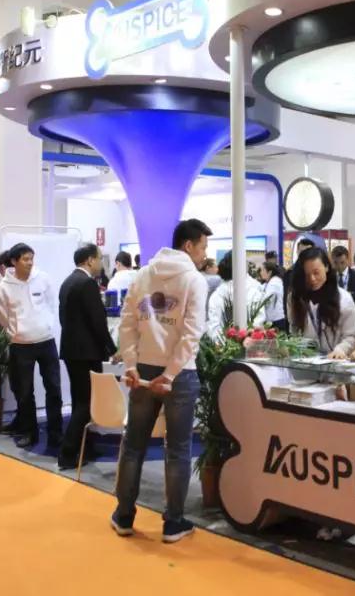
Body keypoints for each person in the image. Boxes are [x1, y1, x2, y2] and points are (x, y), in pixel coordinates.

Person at [111, 218, 212, 543]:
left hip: (143, 370)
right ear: (188, 245)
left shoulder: (143, 275)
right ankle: (173, 523)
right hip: (180, 375)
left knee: (133, 445)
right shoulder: (194, 281)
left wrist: (131, 365)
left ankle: (123, 516)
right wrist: (170, 374)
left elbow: (128, 323)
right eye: (203, 247)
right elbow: (192, 333)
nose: (204, 254)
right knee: (178, 449)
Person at [0, 243, 62, 450]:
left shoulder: (43, 278)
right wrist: (15, 332)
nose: (29, 263)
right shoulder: (4, 287)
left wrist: (47, 325)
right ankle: (29, 432)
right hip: (21, 345)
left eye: (31, 258)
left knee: (54, 388)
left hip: (46, 341)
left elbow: (51, 304)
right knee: (24, 392)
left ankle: (56, 432)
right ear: (14, 261)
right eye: (25, 259)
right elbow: (2, 316)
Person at [57, 243, 116, 471]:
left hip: (72, 351)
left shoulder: (68, 281)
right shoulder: (87, 283)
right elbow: (97, 322)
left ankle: (84, 447)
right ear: (90, 260)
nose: (101, 263)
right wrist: (112, 349)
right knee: (85, 403)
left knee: (80, 401)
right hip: (87, 353)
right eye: (99, 258)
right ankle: (68, 454)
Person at [286, 248, 355, 357]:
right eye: (306, 275)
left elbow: (351, 335)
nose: (312, 279)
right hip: (305, 360)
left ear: (327, 267)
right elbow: (294, 331)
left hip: (335, 360)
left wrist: (341, 349)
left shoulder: (344, 299)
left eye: (316, 273)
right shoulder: (294, 298)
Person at [206, 252, 265, 338]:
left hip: (226, 343)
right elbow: (259, 321)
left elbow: (214, 326)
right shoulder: (255, 288)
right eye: (246, 262)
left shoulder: (219, 293)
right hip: (250, 341)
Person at [331, 245, 355, 317]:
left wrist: (350, 296)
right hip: (333, 315)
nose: (339, 266)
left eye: (342, 262)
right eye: (335, 263)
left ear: (348, 260)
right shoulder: (328, 277)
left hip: (353, 315)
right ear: (332, 261)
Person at [258, 261, 287, 332]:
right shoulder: (269, 282)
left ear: (269, 272)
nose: (261, 272)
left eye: (263, 270)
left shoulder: (274, 282)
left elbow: (265, 299)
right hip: (273, 319)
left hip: (277, 320)